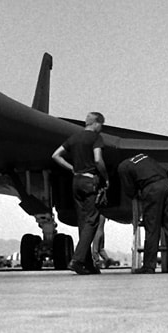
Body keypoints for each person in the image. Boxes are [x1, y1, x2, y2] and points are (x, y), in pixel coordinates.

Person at [52, 112, 109, 274]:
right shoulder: (96, 138)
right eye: (101, 125)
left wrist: (72, 168)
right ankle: (77, 261)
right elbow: (98, 159)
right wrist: (105, 177)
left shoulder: (74, 138)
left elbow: (56, 155)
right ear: (97, 123)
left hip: (76, 182)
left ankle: (88, 264)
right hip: (91, 181)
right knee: (93, 221)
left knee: (83, 222)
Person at [116, 152, 168, 273]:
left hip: (151, 189)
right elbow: (167, 170)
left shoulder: (123, 167)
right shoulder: (146, 158)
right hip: (166, 186)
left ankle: (149, 266)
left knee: (152, 228)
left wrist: (139, 194)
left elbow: (129, 190)